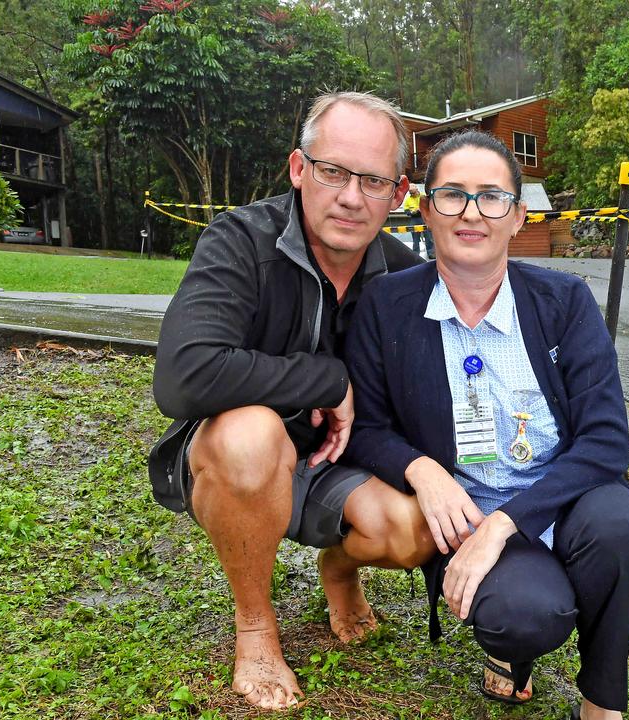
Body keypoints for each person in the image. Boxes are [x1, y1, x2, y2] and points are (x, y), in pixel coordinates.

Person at [343, 130, 629, 720]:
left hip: (567, 501)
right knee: (523, 616)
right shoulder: (387, 306)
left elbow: (607, 440)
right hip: (469, 511)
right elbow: (367, 426)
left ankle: (602, 702)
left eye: (492, 197)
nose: (472, 213)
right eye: (453, 195)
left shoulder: (564, 301)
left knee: (620, 531)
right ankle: (511, 649)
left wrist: (506, 525)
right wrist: (422, 470)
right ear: (426, 209)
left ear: (518, 216)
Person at [147, 91, 436, 711]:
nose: (351, 196)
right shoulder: (240, 241)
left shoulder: (405, 275)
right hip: (240, 461)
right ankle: (255, 624)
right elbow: (181, 376)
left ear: (400, 192)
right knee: (251, 437)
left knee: (415, 528)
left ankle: (340, 566)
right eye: (333, 171)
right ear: (299, 169)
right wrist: (326, 380)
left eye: (373, 180)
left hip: (336, 462)